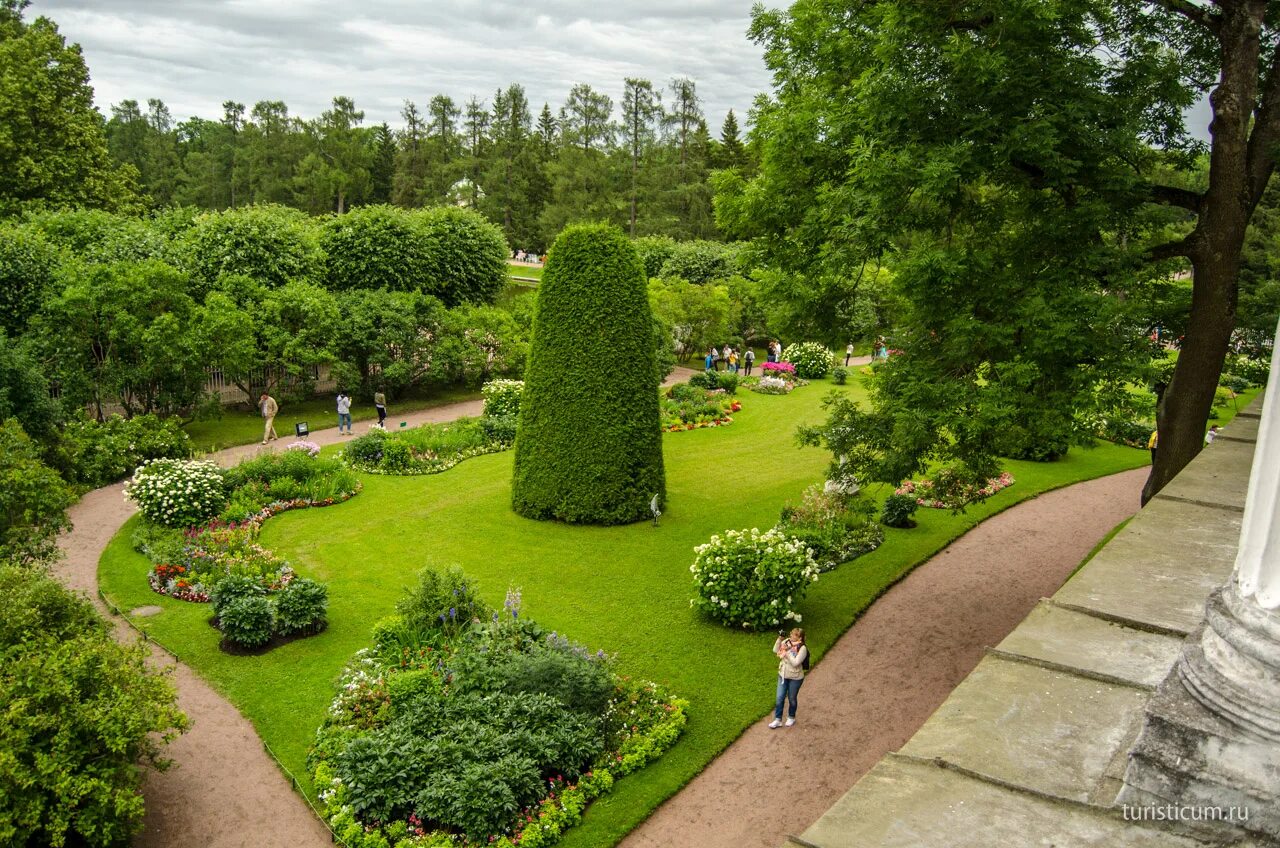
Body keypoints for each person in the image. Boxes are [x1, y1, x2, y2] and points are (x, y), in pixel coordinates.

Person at [769, 627, 808, 728]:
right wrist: (779, 639)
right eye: (791, 633)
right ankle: (778, 719)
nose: (791, 636)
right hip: (783, 674)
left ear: (800, 638)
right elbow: (775, 650)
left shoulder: (802, 648)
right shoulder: (786, 642)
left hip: (795, 677)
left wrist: (787, 652)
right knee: (779, 698)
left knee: (792, 698)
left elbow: (796, 663)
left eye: (794, 635)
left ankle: (791, 717)